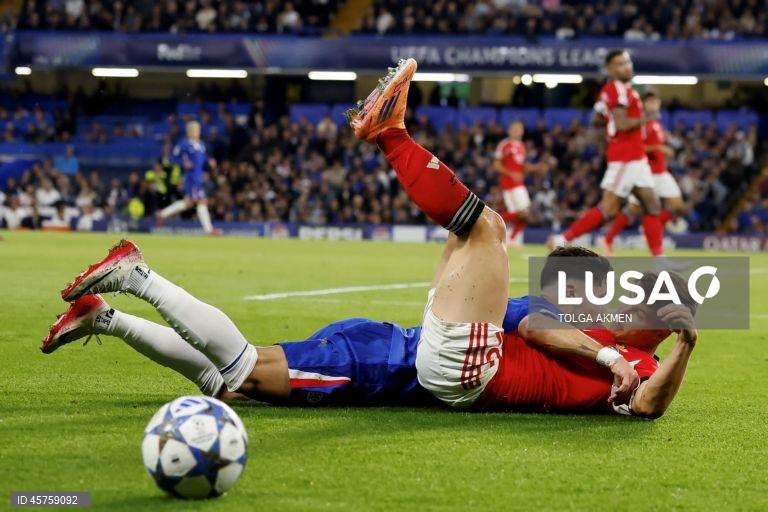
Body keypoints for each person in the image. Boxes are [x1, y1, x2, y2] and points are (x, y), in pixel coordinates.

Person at [43, 60, 699, 418]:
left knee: (486, 229)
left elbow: (647, 404)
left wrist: (682, 348)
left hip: (444, 371)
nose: (633, 303)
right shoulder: (578, 325)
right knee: (229, 382)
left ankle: (137, 277)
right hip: (404, 348)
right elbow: (536, 326)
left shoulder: (637, 364)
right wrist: (604, 347)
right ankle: (110, 317)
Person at [548, 50, 665, 256]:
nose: (626, 67)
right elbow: (622, 124)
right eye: (620, 64)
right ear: (610, 69)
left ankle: (660, 259)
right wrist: (648, 116)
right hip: (626, 157)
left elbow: (598, 117)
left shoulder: (623, 90)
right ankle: (562, 239)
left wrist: (607, 123)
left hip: (636, 156)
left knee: (652, 204)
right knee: (609, 208)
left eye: (627, 62)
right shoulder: (616, 88)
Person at [601, 92, 688, 256]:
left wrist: (662, 150)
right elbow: (638, 146)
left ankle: (648, 228)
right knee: (633, 209)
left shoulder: (656, 123)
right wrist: (659, 148)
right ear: (644, 104)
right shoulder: (643, 123)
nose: (655, 104)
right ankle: (608, 239)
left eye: (656, 101)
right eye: (651, 102)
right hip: (646, 173)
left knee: (678, 206)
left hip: (662, 173)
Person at [156, 121, 220, 235]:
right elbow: (173, 158)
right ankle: (209, 230)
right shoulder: (183, 144)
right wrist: (183, 163)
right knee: (201, 201)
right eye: (195, 130)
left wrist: (210, 160)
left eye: (198, 130)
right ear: (189, 132)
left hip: (198, 177)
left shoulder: (200, 144)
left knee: (189, 203)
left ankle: (162, 215)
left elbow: (204, 156)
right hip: (191, 178)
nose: (197, 132)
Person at [493, 121, 547, 248]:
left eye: (520, 129)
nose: (518, 131)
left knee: (522, 214)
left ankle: (511, 239)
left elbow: (521, 167)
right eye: (515, 129)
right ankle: (492, 222)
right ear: (509, 130)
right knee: (523, 212)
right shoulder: (504, 145)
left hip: (518, 183)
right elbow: (496, 165)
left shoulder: (521, 146)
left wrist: (536, 168)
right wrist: (510, 174)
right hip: (509, 183)